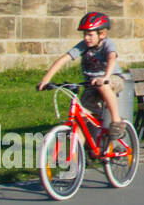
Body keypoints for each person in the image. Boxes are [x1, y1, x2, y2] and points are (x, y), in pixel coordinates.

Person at [37, 12, 126, 145]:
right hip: (91, 86)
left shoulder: (107, 44)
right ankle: (75, 161)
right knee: (79, 121)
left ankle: (116, 121)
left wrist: (105, 77)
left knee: (102, 85)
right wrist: (46, 79)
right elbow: (64, 59)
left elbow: (111, 57)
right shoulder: (83, 46)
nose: (86, 38)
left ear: (102, 34)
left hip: (112, 80)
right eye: (84, 34)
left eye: (90, 34)